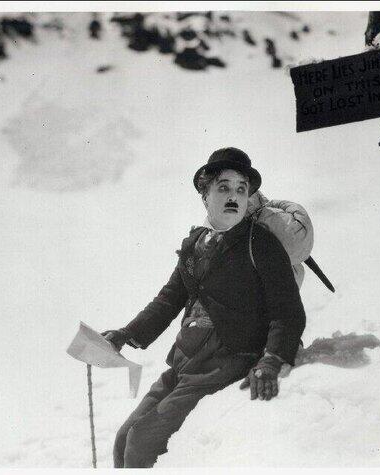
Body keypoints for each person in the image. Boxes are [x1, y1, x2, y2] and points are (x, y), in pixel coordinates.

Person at [102, 147, 306, 468]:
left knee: (141, 441)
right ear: (204, 194)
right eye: (224, 187)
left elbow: (288, 310)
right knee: (123, 439)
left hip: (225, 362)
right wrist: (126, 334)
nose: (233, 196)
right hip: (185, 361)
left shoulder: (260, 244)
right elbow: (169, 299)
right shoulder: (196, 243)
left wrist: (271, 360)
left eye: (241, 189)